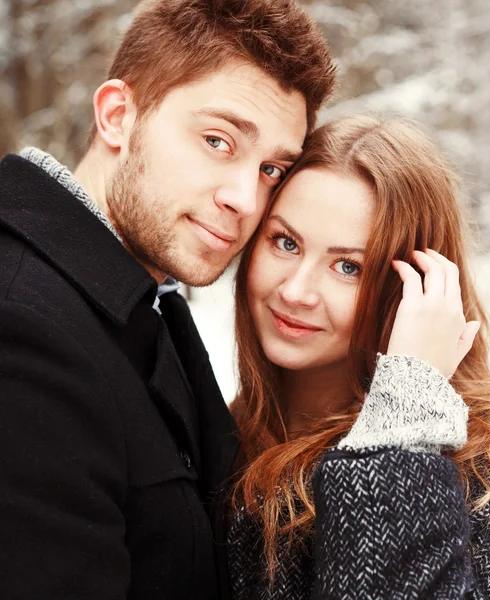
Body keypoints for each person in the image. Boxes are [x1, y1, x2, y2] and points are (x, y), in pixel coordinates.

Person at [0, 1, 336, 598]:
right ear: (117, 116)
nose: (245, 199)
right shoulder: (24, 327)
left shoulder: (137, 305)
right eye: (218, 140)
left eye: (271, 170)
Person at [228, 115, 490, 599]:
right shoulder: (220, 429)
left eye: (348, 266)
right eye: (285, 243)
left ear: (413, 292)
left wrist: (403, 428)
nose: (295, 291)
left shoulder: (468, 464)